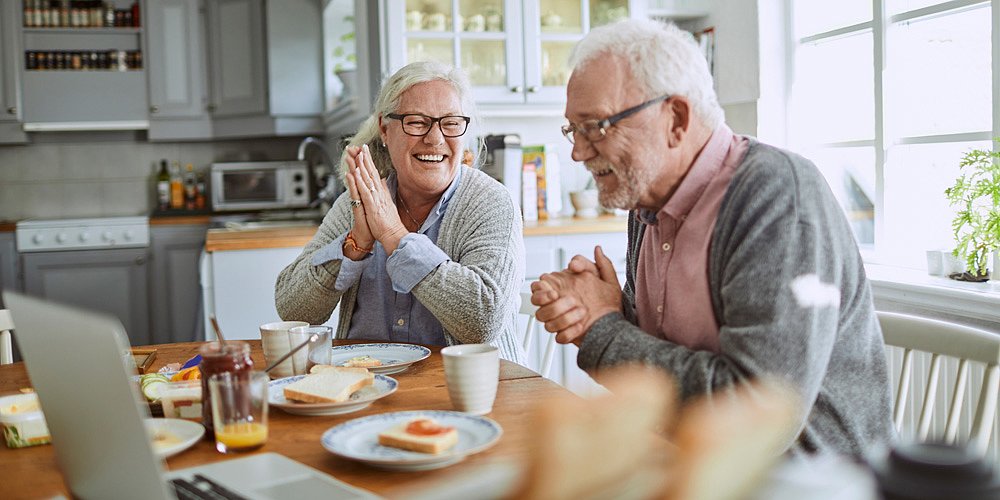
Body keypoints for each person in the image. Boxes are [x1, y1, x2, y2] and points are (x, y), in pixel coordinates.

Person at [530, 19, 893, 455]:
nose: (578, 151)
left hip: (804, 481)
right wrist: (608, 309)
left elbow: (755, 412)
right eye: (574, 129)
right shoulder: (646, 201)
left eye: (597, 127)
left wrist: (603, 328)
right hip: (689, 464)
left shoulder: (775, 195)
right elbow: (665, 351)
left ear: (676, 118)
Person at [276, 61, 526, 363]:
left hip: (468, 396)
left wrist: (394, 237)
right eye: (417, 122)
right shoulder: (358, 202)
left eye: (450, 123)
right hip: (367, 388)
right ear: (385, 128)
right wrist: (356, 244)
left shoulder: (490, 201)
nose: (435, 139)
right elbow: (292, 310)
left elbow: (482, 322)